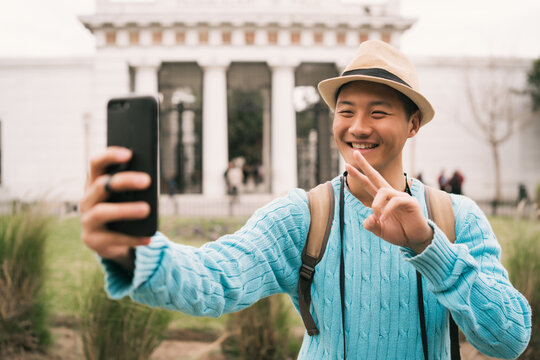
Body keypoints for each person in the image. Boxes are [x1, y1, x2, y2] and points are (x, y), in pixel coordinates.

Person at [79, 41, 531, 359]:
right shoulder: (304, 216)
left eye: (378, 112)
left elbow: (510, 338)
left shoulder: (456, 218)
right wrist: (136, 254)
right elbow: (216, 279)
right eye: (346, 110)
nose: (358, 127)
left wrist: (429, 247)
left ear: (413, 125)